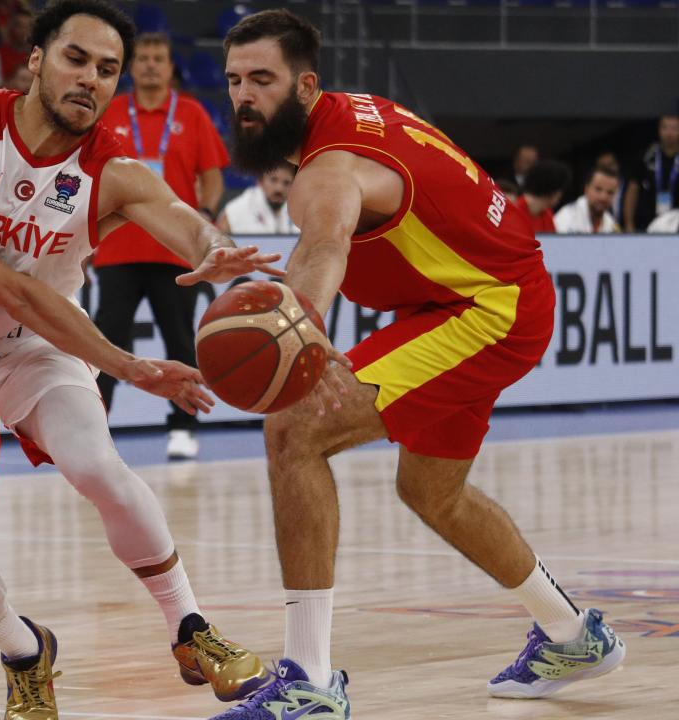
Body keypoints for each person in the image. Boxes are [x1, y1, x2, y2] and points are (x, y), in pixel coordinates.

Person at [210, 10, 625, 719]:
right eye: (233, 81)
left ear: (305, 86)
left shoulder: (327, 169)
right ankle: (572, 635)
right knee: (432, 492)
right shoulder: (355, 112)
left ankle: (309, 681)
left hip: (486, 308)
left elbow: (325, 243)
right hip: (475, 297)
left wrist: (301, 328)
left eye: (262, 80)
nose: (244, 97)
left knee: (293, 430)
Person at [0, 1, 286, 717]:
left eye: (108, 69)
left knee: (96, 465)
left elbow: (185, 222)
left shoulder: (114, 170)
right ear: (36, 59)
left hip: (37, 353)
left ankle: (190, 628)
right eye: (76, 59)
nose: (91, 79)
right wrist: (128, 365)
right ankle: (25, 651)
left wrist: (214, 251)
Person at [92, 31, 230, 460]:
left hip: (175, 252)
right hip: (117, 250)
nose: (151, 65)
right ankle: (94, 429)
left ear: (171, 68)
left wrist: (203, 215)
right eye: (144, 58)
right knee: (104, 344)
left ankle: (184, 427)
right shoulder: (111, 110)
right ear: (131, 67)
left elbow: (213, 178)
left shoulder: (191, 113)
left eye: (159, 58)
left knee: (180, 341)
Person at [623, 114, 679, 232]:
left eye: (674, 128)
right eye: (665, 128)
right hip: (646, 224)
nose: (669, 133)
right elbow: (633, 189)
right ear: (659, 130)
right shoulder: (647, 156)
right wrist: (629, 223)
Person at [217, 161, 298, 235]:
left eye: (286, 183)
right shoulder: (236, 210)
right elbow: (220, 240)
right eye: (273, 180)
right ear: (260, 181)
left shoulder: (298, 209)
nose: (279, 188)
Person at [554, 164, 620, 234]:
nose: (603, 197)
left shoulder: (612, 225)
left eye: (610, 192)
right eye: (598, 189)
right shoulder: (566, 217)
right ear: (586, 189)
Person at [514, 159, 569, 235]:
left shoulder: (547, 214)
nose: (561, 194)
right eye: (560, 189)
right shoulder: (516, 210)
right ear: (551, 189)